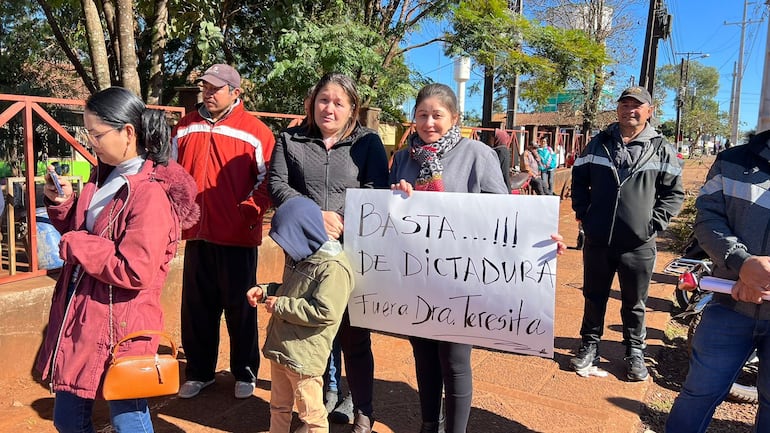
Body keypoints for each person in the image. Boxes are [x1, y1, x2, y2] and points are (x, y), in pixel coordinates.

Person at [390, 83, 567, 433]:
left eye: (437, 115)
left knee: (454, 359)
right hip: (417, 276)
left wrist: (539, 239)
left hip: (463, 277)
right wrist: (397, 195)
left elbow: (503, 214)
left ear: (454, 118)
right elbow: (388, 214)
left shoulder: (477, 154)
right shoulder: (403, 159)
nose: (428, 123)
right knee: (424, 356)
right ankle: (430, 424)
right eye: (422, 115)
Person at [34, 87, 199, 433]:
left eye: (97, 134)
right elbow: (90, 232)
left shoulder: (150, 193)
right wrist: (64, 205)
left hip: (122, 327)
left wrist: (78, 243)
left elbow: (134, 268)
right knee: (68, 418)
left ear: (128, 132)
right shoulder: (104, 175)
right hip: (84, 319)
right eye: (88, 133)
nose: (91, 141)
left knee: (128, 419)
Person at [268, 72, 389, 433]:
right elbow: (277, 184)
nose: (329, 108)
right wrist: (314, 215)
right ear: (312, 103)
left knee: (354, 336)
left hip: (349, 255)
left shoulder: (367, 143)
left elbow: (376, 189)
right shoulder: (290, 139)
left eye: (339, 102)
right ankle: (314, 409)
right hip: (303, 255)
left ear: (352, 108)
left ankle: (363, 410)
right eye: (324, 100)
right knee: (309, 333)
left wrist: (340, 218)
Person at [172, 63, 276, 399]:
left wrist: (250, 209)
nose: (208, 93)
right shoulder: (185, 127)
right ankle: (200, 372)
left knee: (240, 308)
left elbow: (268, 180)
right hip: (196, 234)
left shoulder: (256, 131)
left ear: (235, 92)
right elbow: (172, 172)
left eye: (216, 88)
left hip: (237, 236)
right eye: (205, 86)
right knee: (197, 308)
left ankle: (245, 372)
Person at [569, 85, 684, 381]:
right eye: (624, 104)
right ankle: (589, 345)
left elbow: (674, 194)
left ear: (649, 111)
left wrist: (651, 224)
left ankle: (634, 351)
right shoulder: (599, 142)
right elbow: (579, 179)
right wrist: (584, 214)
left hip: (638, 243)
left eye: (637, 105)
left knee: (635, 302)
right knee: (594, 296)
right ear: (617, 108)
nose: (629, 109)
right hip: (598, 239)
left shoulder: (661, 147)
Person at [664, 129, 770, 432]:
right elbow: (708, 218)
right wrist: (742, 263)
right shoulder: (731, 161)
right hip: (727, 306)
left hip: (733, 298)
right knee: (698, 393)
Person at [246, 196, 354, 433]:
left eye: (288, 240)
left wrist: (281, 305)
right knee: (279, 407)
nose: (285, 248)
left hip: (305, 357)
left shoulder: (333, 268)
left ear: (304, 233)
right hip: (282, 349)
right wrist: (264, 291)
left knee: (312, 416)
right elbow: (289, 290)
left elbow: (326, 311)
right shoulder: (300, 257)